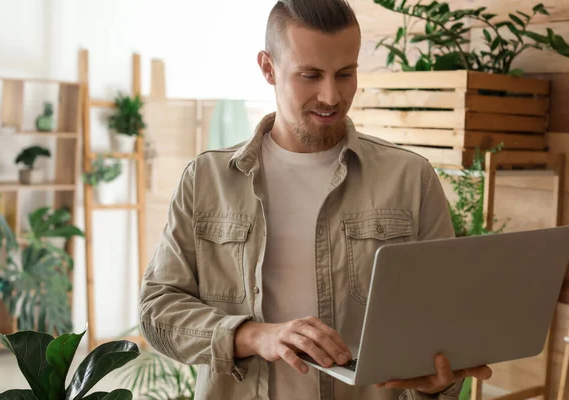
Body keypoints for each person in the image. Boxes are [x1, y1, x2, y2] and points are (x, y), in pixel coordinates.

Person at [139, 0, 493, 399]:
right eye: (310, 75)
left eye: (345, 74)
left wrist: (436, 386)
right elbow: (157, 311)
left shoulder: (411, 178)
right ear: (268, 69)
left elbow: (441, 321)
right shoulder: (205, 180)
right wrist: (254, 336)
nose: (331, 96)